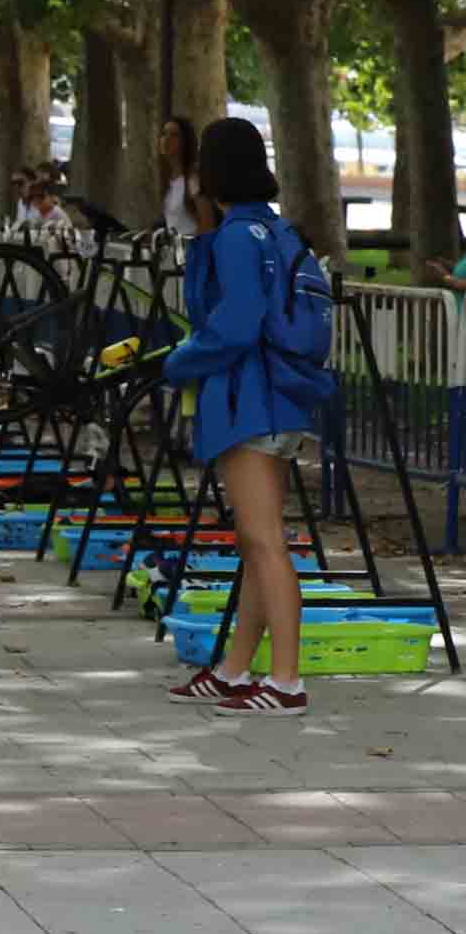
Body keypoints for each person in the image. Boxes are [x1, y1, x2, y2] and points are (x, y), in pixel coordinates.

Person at [161, 117, 336, 716]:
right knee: (258, 541)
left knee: (263, 544)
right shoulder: (273, 229)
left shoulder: (237, 236)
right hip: (280, 398)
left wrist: (177, 361)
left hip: (247, 400)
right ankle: (236, 669)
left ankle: (286, 681)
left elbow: (231, 325)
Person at [156, 113, 199, 243]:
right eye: (164, 134)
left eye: (174, 135)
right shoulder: (169, 179)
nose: (166, 139)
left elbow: (207, 224)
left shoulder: (193, 178)